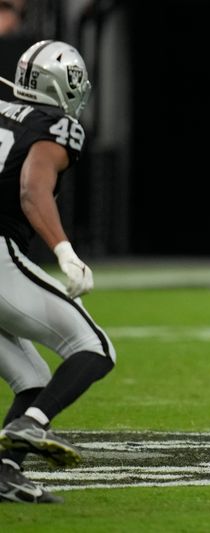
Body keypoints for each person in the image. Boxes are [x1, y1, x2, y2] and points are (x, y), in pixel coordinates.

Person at [0, 40, 115, 503]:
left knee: (33, 379)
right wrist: (64, 250)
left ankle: (5, 472)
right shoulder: (56, 125)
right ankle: (33, 426)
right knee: (95, 347)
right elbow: (32, 190)